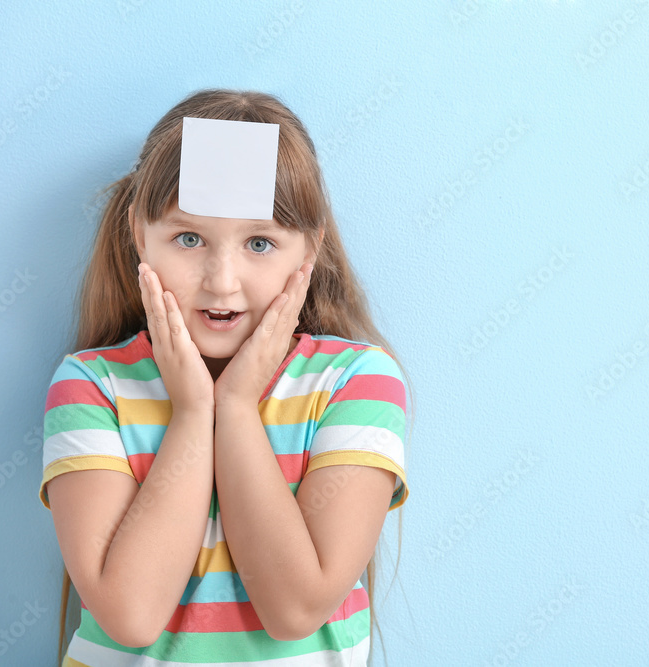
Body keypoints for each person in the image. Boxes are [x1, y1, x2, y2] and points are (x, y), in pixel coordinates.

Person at [37, 89, 413, 667]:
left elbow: (294, 611)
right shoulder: (92, 387)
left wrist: (234, 407)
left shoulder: (356, 382)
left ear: (307, 252)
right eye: (189, 239)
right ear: (141, 235)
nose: (222, 280)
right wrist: (192, 413)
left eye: (260, 243)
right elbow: (131, 616)